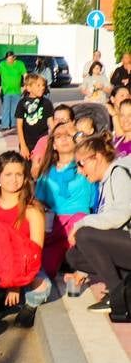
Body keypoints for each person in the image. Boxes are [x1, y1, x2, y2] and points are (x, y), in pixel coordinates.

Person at [64, 134, 131, 313]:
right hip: (123, 242)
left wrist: (80, 224)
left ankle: (118, 296)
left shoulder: (119, 173)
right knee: (74, 256)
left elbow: (122, 214)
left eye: (81, 163)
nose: (79, 170)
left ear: (98, 157)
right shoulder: (103, 182)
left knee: (84, 234)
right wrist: (82, 273)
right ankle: (124, 287)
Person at [0, 152, 50, 328]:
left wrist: (16, 285)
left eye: (19, 174)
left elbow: (35, 254)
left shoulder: (32, 211)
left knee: (42, 286)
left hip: (23, 269)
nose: (14, 179)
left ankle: (28, 305)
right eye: (8, 174)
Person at [35, 122, 95, 279]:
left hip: (79, 224)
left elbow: (95, 148)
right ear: (53, 144)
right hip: (56, 226)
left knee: (79, 221)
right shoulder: (47, 172)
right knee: (46, 269)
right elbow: (38, 201)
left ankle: (73, 259)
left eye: (68, 135)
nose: (64, 139)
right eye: (59, 136)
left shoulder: (86, 165)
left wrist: (78, 135)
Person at [16, 73, 54, 160]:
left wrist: (54, 139)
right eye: (38, 85)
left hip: (43, 142)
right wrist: (23, 146)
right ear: (28, 88)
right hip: (27, 143)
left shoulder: (46, 103)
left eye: (43, 85)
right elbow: (19, 126)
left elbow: (51, 124)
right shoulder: (22, 104)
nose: (42, 87)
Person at [0, 50, 28, 130]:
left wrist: (25, 84)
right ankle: (5, 125)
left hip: (16, 91)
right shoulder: (2, 64)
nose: (9, 61)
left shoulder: (19, 64)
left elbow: (25, 74)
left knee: (15, 108)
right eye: (7, 59)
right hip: (6, 91)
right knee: (6, 108)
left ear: (14, 58)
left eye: (10, 59)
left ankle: (13, 125)